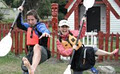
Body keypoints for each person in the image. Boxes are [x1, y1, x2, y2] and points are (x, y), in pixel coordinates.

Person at [17, 6, 51, 74]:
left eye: (32, 20)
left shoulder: (40, 25)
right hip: (32, 53)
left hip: (43, 52)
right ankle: (30, 69)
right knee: (25, 69)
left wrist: (45, 33)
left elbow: (44, 29)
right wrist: (19, 13)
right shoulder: (28, 26)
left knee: (36, 46)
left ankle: (33, 68)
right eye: (28, 20)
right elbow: (19, 25)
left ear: (36, 19)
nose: (30, 22)